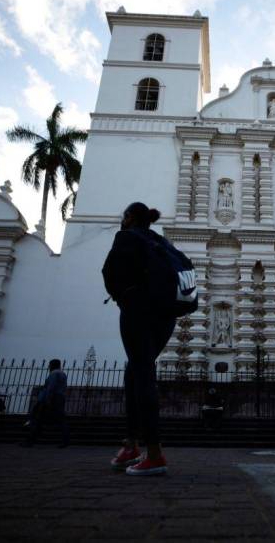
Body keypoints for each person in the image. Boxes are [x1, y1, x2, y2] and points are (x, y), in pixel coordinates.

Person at [104, 202, 178, 476]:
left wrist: (123, 297)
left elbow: (109, 273)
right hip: (167, 316)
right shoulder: (161, 242)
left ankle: (155, 453)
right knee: (135, 370)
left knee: (143, 372)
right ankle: (132, 444)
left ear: (130, 218)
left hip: (138, 310)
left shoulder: (127, 236)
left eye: (124, 216)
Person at [22, 359, 69, 448]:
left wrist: (47, 399)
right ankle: (65, 440)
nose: (48, 367)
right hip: (60, 398)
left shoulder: (53, 374)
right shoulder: (63, 374)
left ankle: (30, 440)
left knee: (38, 419)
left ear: (52, 365)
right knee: (61, 420)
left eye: (49, 365)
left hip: (52, 398)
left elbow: (51, 387)